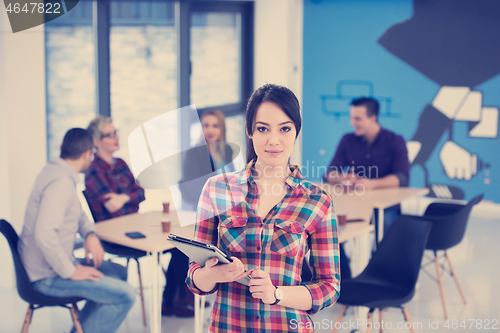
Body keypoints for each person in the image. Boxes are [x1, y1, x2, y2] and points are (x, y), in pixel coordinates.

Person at [186, 84, 340, 332]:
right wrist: (211, 275)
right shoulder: (216, 189)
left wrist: (277, 294)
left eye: (285, 129)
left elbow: (329, 287)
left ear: (296, 131)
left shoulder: (317, 200)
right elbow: (194, 278)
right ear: (249, 130)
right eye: (262, 129)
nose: (273, 140)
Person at [18, 128, 136, 333]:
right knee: (125, 295)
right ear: (87, 154)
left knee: (117, 272)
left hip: (49, 266)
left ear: (62, 148)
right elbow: (43, 234)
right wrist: (71, 271)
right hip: (45, 277)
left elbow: (79, 214)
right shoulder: (61, 183)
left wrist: (90, 235)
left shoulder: (56, 171)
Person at [84, 116, 196, 317]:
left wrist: (124, 197)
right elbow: (112, 208)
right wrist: (129, 198)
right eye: (109, 135)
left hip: (136, 226)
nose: (116, 137)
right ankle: (176, 300)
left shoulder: (120, 164)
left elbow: (141, 194)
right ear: (96, 141)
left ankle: (174, 300)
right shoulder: (93, 171)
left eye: (115, 132)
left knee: (180, 242)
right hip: (115, 237)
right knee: (175, 243)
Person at [323, 97, 410, 278]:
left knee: (387, 225)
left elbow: (402, 178)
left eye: (357, 118)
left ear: (373, 118)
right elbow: (329, 174)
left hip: (383, 207)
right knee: (330, 226)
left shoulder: (395, 141)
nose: (352, 123)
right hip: (352, 205)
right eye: (352, 118)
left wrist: (371, 184)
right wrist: (342, 179)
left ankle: (381, 274)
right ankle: (343, 278)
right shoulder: (347, 140)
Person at [179, 109, 235, 211]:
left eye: (215, 126)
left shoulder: (227, 150)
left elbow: (234, 181)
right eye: (206, 125)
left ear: (222, 128)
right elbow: (193, 190)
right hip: (204, 210)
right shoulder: (194, 154)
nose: (210, 130)